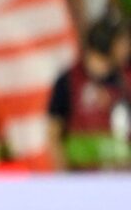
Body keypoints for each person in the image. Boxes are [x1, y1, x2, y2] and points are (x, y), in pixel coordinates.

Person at [48, 14, 131, 170]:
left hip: (123, 175)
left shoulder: (126, 79)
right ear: (106, 42)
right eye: (123, 42)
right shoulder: (69, 81)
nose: (128, 47)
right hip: (82, 176)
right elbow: (53, 133)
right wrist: (64, 177)